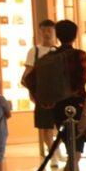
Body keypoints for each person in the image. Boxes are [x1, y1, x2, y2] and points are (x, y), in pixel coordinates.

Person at [39, 20, 86, 171]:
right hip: (76, 107)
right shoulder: (79, 55)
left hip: (58, 109)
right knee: (75, 154)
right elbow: (82, 79)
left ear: (57, 35)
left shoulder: (50, 57)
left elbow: (30, 80)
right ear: (75, 35)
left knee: (73, 154)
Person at [20, 19, 59, 163]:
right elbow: (26, 76)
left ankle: (56, 150)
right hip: (42, 95)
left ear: (54, 32)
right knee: (45, 126)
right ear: (39, 32)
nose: (47, 33)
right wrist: (32, 92)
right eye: (44, 30)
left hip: (58, 94)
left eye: (49, 30)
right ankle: (53, 155)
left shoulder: (58, 51)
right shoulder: (34, 51)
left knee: (59, 125)